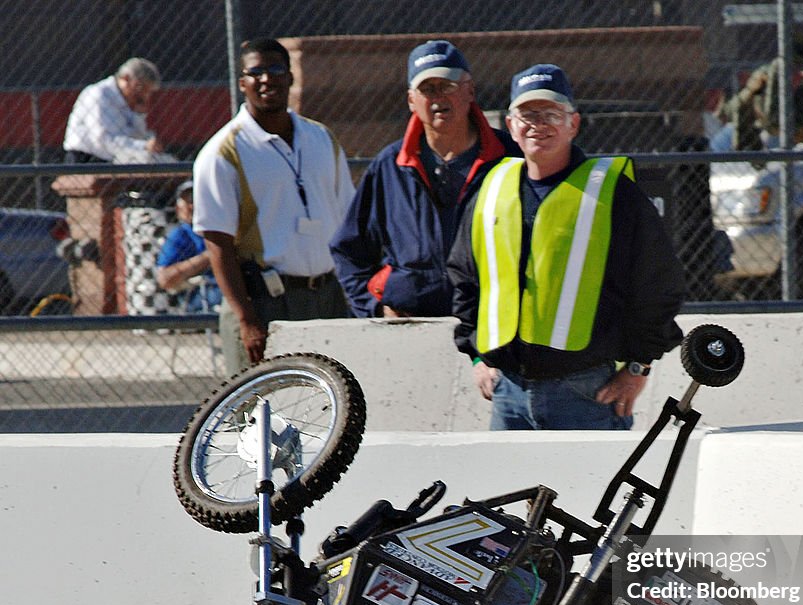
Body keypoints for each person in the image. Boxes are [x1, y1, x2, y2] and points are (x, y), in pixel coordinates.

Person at [448, 64, 686, 430]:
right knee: (508, 489)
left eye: (551, 114)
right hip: (507, 394)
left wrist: (638, 367)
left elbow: (658, 284)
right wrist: (478, 357)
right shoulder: (492, 188)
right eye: (527, 114)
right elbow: (466, 276)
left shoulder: (613, 193)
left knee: (590, 490)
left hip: (586, 393)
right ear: (510, 125)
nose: (537, 125)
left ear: (573, 124)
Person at [193, 38, 356, 374]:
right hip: (266, 302)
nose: (267, 79)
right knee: (261, 414)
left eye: (276, 69)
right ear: (242, 84)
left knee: (338, 406)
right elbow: (217, 243)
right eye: (256, 72)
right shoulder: (223, 152)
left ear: (291, 77)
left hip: (328, 294)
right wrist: (246, 318)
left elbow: (347, 219)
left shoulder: (321, 138)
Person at [330, 40, 519, 318]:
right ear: (411, 100)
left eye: (448, 86)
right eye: (427, 89)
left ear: (470, 91)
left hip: (492, 321)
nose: (438, 98)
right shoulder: (390, 164)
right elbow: (348, 250)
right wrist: (375, 308)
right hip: (412, 326)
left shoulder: (510, 159)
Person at [63, 58, 172, 164]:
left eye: (148, 92)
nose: (144, 96)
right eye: (140, 88)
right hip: (86, 160)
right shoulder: (100, 94)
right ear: (126, 78)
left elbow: (136, 136)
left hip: (115, 160)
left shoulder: (129, 101)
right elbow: (104, 140)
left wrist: (139, 115)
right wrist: (143, 146)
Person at [155, 181, 222, 313]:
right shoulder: (180, 235)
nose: (193, 206)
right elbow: (165, 279)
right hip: (201, 293)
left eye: (197, 199)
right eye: (188, 201)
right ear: (178, 208)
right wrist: (207, 257)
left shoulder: (220, 228)